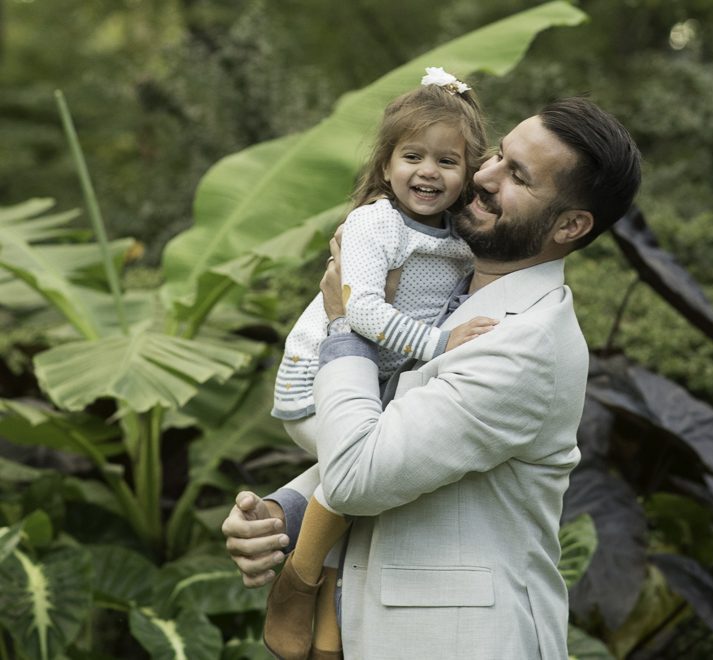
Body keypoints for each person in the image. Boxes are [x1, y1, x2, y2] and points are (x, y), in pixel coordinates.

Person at [224, 96, 641, 660]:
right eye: (497, 155)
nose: (483, 175)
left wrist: (346, 325)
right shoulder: (448, 293)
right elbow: (391, 440)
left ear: (570, 225)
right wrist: (282, 516)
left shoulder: (525, 343)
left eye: (517, 175)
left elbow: (356, 476)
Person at [265, 68, 494, 660]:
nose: (428, 172)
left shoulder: (457, 238)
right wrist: (442, 345)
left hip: (374, 382)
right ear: (387, 163)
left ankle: (328, 637)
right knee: (359, 477)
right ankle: (298, 580)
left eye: (448, 161)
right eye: (412, 155)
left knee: (368, 490)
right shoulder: (376, 223)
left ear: (469, 171)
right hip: (318, 380)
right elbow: (360, 310)